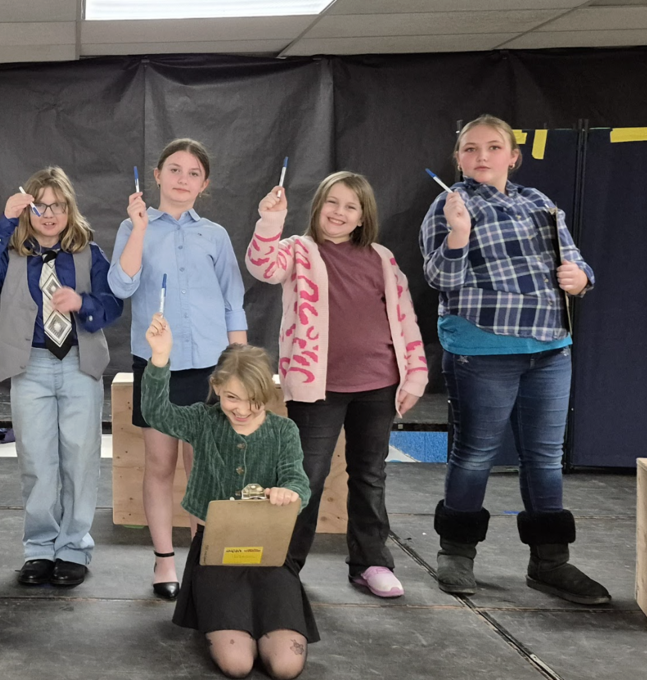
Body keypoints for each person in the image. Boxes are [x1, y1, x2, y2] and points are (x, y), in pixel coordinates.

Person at [420, 114, 609, 604]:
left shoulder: (540, 203)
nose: (481, 156)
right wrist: (458, 234)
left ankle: (551, 563)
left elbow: (575, 260)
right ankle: (456, 553)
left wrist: (581, 279)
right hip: (481, 349)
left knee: (544, 459)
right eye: (470, 149)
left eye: (493, 147)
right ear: (458, 158)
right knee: (475, 455)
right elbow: (439, 278)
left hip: (549, 348)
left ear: (512, 155)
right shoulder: (449, 203)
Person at [245, 172, 428, 598]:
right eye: (333, 202)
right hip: (317, 389)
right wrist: (269, 222)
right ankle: (285, 567)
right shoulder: (297, 251)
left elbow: (405, 319)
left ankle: (370, 563)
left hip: (379, 384)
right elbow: (263, 266)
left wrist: (415, 375)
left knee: (370, 474)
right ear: (318, 206)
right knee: (305, 476)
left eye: (351, 206)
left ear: (364, 217)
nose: (339, 213)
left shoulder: (382, 258)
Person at [0, 167, 122, 588]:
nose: (49, 214)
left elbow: (112, 304)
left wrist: (82, 302)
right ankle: (39, 548)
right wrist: (3, 222)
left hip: (78, 363)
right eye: (39, 206)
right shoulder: (13, 253)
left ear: (70, 208)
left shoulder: (89, 252)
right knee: (36, 461)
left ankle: (73, 547)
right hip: (30, 366)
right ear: (27, 209)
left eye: (58, 205)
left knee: (80, 458)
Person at [108, 138, 247, 599]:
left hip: (210, 368)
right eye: (174, 169)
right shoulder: (135, 228)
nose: (182, 179)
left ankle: (204, 560)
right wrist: (141, 229)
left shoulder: (215, 235)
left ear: (203, 184)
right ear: (157, 176)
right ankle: (164, 561)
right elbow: (122, 285)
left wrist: (241, 366)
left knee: (205, 467)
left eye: (192, 173)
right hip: (159, 366)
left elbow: (233, 300)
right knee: (160, 466)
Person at [142, 314, 317, 680]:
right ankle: (221, 623)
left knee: (286, 666)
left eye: (254, 400)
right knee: (237, 664)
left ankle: (254, 624)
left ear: (266, 395)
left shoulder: (283, 431)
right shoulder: (203, 421)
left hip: (270, 554)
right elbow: (155, 413)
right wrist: (159, 359)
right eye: (232, 398)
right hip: (216, 555)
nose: (242, 409)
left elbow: (299, 482)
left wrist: (290, 493)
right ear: (217, 387)